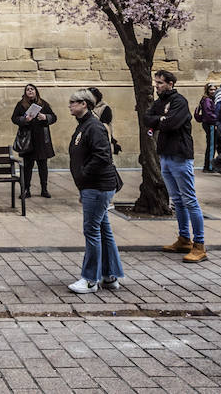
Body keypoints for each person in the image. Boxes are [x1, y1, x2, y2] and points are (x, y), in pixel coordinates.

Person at [144, 70, 207, 263]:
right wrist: (160, 119)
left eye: (160, 83)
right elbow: (146, 118)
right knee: (177, 200)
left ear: (170, 84)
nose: (156, 86)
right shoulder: (159, 102)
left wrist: (160, 121)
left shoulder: (179, 101)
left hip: (180, 155)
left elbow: (172, 123)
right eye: (156, 82)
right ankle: (184, 238)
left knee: (189, 200)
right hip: (165, 154)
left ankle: (199, 245)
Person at [65, 89, 124, 294]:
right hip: (92, 186)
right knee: (103, 230)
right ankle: (110, 275)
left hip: (97, 186)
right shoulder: (85, 125)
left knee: (91, 230)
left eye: (74, 102)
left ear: (85, 104)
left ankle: (90, 279)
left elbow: (102, 156)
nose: (70, 105)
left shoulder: (94, 126)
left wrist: (83, 175)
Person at [10, 83, 57, 198]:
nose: (30, 91)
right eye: (28, 90)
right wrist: (24, 119)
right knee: (27, 167)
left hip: (42, 140)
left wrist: (45, 117)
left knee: (43, 167)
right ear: (25, 92)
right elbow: (14, 118)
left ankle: (44, 189)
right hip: (28, 140)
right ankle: (26, 189)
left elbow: (54, 117)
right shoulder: (21, 104)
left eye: (32, 89)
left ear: (36, 91)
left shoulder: (43, 104)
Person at [194, 84, 220, 173]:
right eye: (211, 90)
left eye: (214, 89)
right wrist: (218, 120)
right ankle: (209, 167)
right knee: (211, 146)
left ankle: (214, 164)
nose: (213, 91)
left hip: (211, 124)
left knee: (216, 144)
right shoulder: (207, 100)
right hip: (210, 124)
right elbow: (209, 114)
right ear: (207, 90)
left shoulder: (211, 99)